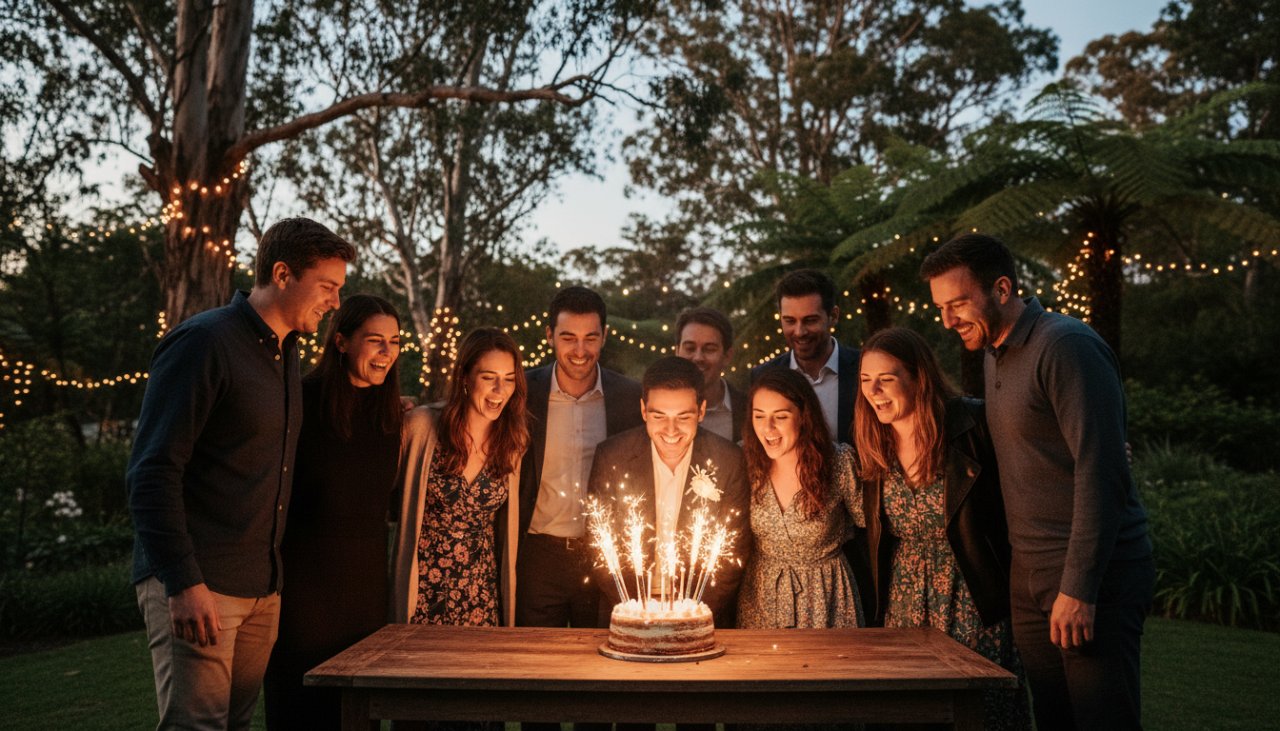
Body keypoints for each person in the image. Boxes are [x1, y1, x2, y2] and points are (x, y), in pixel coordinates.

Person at [127, 217, 356, 730]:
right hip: (202, 582)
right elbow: (152, 470)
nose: (335, 302)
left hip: (261, 587)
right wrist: (184, 581)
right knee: (198, 725)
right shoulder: (204, 343)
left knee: (233, 724)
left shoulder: (287, 355)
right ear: (281, 273)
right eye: (327, 287)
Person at [921, 233, 1154, 730]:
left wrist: (1079, 587)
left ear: (1002, 289)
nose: (948, 320)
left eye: (958, 303)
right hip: (1029, 576)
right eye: (940, 307)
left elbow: (1101, 472)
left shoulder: (1066, 346)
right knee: (1053, 719)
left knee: (1102, 719)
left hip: (1091, 575)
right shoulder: (992, 352)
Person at [852, 327, 1030, 730]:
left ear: (919, 377)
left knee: (979, 712)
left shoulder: (973, 425)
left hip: (972, 594)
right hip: (904, 607)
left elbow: (1034, 461)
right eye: (865, 380)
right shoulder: (871, 445)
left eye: (886, 379)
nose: (874, 391)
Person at [263, 295, 404, 730]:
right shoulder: (299, 401)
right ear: (341, 342)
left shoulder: (392, 415)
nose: (387, 352)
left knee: (359, 711)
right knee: (303, 708)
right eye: (375, 340)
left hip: (366, 590)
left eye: (395, 341)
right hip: (305, 590)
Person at [510, 285, 644, 631]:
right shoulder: (522, 392)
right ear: (550, 335)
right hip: (538, 555)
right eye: (568, 337)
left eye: (591, 338)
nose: (580, 350)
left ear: (604, 337)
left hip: (603, 554)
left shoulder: (629, 398)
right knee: (534, 662)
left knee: (598, 661)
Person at [587, 356, 751, 628]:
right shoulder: (612, 456)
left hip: (700, 613)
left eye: (683, 417)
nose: (671, 430)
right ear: (643, 410)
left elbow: (735, 553)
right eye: (659, 416)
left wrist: (689, 613)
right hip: (628, 611)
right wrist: (636, 611)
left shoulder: (728, 460)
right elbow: (599, 545)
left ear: (701, 411)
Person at [392, 327, 529, 629]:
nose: (499, 390)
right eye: (488, 377)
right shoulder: (421, 426)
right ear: (465, 377)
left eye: (508, 379)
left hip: (480, 591)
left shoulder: (513, 442)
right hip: (423, 587)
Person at [736, 367, 863, 629]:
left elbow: (869, 527)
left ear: (803, 416)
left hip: (826, 597)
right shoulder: (744, 461)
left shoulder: (838, 462)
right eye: (759, 416)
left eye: (780, 416)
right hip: (761, 598)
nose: (767, 428)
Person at [749, 269, 857, 444]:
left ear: (833, 316)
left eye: (810, 320)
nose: (799, 332)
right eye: (790, 321)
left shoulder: (863, 369)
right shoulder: (763, 376)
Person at [674, 306, 746, 442]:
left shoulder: (749, 412)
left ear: (727, 356)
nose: (698, 358)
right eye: (690, 348)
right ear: (677, 352)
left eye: (709, 349)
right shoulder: (652, 410)